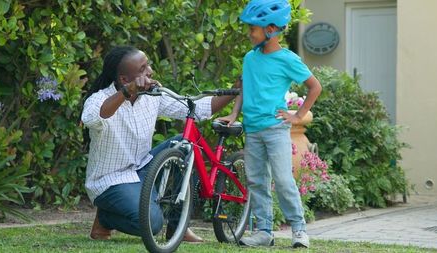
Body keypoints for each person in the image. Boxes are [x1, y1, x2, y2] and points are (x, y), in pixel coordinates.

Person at [81, 46, 236, 242]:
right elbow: (93, 117)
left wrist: (236, 90)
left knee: (186, 143)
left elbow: (198, 109)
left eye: (148, 65)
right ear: (124, 80)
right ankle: (105, 218)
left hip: (143, 169)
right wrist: (126, 93)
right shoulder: (99, 99)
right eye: (142, 69)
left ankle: (177, 225)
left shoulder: (151, 96)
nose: (150, 72)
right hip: (110, 182)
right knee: (153, 224)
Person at [217, 0, 322, 248]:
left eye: (253, 28)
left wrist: (297, 116)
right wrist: (234, 115)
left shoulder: (288, 59)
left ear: (271, 29)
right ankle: (264, 231)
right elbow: (245, 89)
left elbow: (315, 87)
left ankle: (299, 230)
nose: (249, 33)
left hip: (275, 129)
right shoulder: (250, 59)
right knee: (256, 181)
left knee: (284, 180)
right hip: (253, 130)